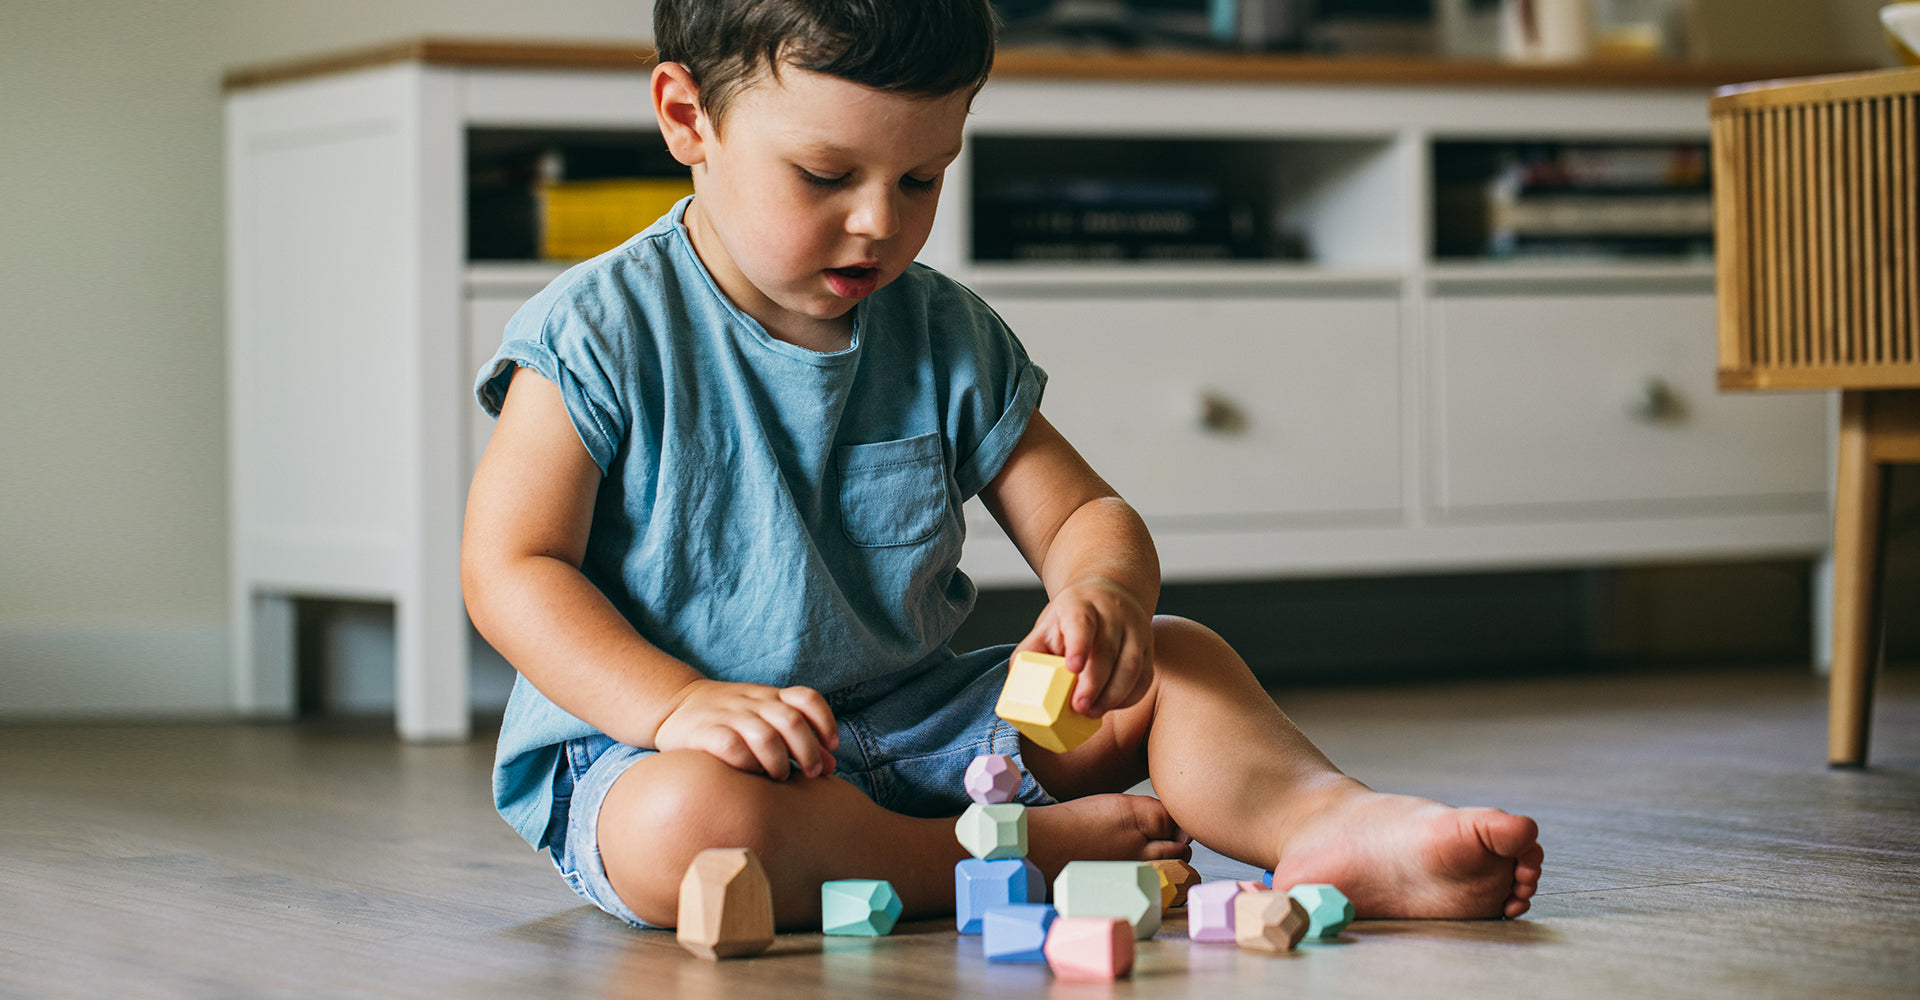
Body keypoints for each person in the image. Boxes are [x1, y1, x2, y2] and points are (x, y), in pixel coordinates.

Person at [461, 0, 1543, 931]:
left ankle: (1329, 823)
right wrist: (679, 706)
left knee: (1178, 658)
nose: (879, 223)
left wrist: (1102, 595)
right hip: (678, 755)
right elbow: (511, 567)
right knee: (683, 830)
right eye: (826, 175)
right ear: (687, 117)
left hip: (930, 733)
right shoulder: (597, 332)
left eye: (921, 178)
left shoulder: (942, 333)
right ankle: (1001, 859)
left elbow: (1081, 514)